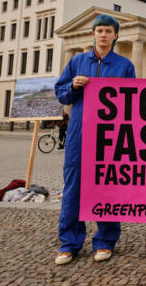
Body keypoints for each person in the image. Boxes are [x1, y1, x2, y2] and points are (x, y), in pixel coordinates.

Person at [53, 14, 135, 266]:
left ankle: (105, 241)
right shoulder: (77, 61)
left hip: (110, 136)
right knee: (73, 187)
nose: (103, 35)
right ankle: (69, 243)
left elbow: (133, 100)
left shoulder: (125, 65)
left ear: (115, 35)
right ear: (93, 34)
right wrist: (74, 87)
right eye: (99, 30)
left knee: (106, 186)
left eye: (108, 31)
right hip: (79, 133)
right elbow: (61, 93)